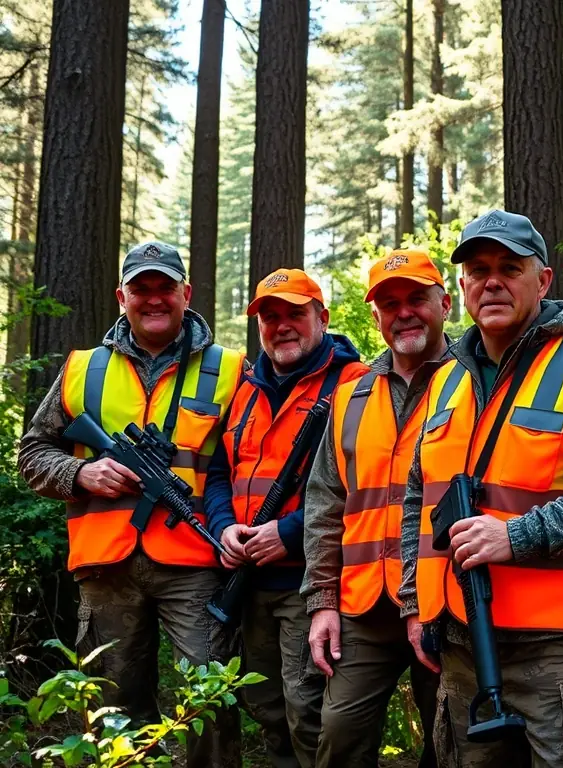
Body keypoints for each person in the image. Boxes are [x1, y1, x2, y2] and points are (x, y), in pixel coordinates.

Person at [400, 210, 563, 767]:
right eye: (478, 269)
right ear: (461, 287)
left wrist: (518, 535)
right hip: (464, 645)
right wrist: (417, 603)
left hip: (562, 653)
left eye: (509, 268)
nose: (491, 281)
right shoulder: (446, 379)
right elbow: (420, 496)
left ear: (541, 282)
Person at [18, 241, 245, 768]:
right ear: (122, 297)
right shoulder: (81, 369)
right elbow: (32, 451)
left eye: (165, 287)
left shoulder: (232, 369)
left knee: (209, 701)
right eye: (141, 289)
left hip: (196, 565)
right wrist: (81, 472)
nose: (153, 299)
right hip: (105, 567)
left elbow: (253, 460)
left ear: (186, 294)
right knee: (110, 705)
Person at [204, 268, 367, 768]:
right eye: (269, 317)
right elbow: (217, 474)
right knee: (267, 707)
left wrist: (290, 534)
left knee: (310, 712)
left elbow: (366, 484)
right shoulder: (245, 388)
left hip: (313, 582)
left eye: (295, 313)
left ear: (323, 317)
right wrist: (223, 528)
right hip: (248, 581)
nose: (282, 326)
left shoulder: (355, 386)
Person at [301, 250, 450, 768]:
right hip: (363, 605)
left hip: (444, 601)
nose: (403, 313)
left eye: (416, 299)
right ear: (376, 317)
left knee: (452, 740)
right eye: (390, 304)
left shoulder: (472, 383)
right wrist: (322, 599)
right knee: (339, 735)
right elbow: (325, 501)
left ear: (445, 304)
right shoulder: (351, 396)